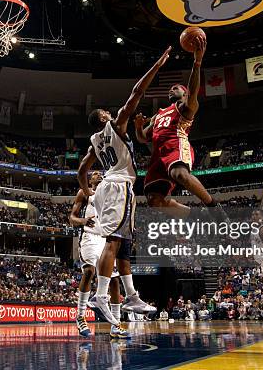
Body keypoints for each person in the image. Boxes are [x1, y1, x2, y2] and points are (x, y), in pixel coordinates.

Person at [77, 47, 173, 326]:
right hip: (118, 185)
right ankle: (102, 295)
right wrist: (157, 65)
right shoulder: (114, 126)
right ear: (104, 118)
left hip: (112, 186)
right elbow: (136, 93)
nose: (110, 112)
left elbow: (82, 170)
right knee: (115, 241)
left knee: (124, 245)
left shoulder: (95, 141)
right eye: (106, 112)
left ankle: (130, 295)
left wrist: (89, 192)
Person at [134, 37, 226, 221]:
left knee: (179, 174)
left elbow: (193, 90)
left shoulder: (185, 107)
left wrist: (197, 63)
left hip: (176, 144)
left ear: (184, 94)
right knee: (153, 200)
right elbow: (143, 138)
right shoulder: (159, 113)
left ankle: (214, 207)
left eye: (176, 88)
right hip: (158, 156)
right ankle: (195, 215)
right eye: (170, 89)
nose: (171, 89)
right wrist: (138, 127)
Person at [69, 171, 129, 338]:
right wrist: (82, 221)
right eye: (95, 173)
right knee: (89, 271)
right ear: (90, 179)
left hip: (106, 239)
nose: (99, 174)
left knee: (115, 281)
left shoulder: (110, 193)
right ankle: (80, 316)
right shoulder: (85, 192)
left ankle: (116, 324)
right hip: (89, 237)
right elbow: (72, 218)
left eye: (101, 173)